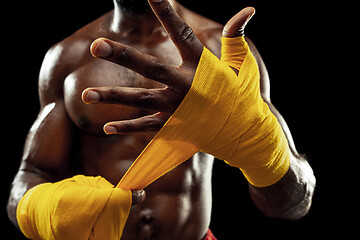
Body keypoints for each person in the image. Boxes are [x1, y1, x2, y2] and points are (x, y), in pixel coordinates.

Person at [7, 0, 316, 239]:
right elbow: (31, 174)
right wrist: (46, 210)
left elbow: (293, 202)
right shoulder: (67, 58)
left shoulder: (221, 52)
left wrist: (258, 147)